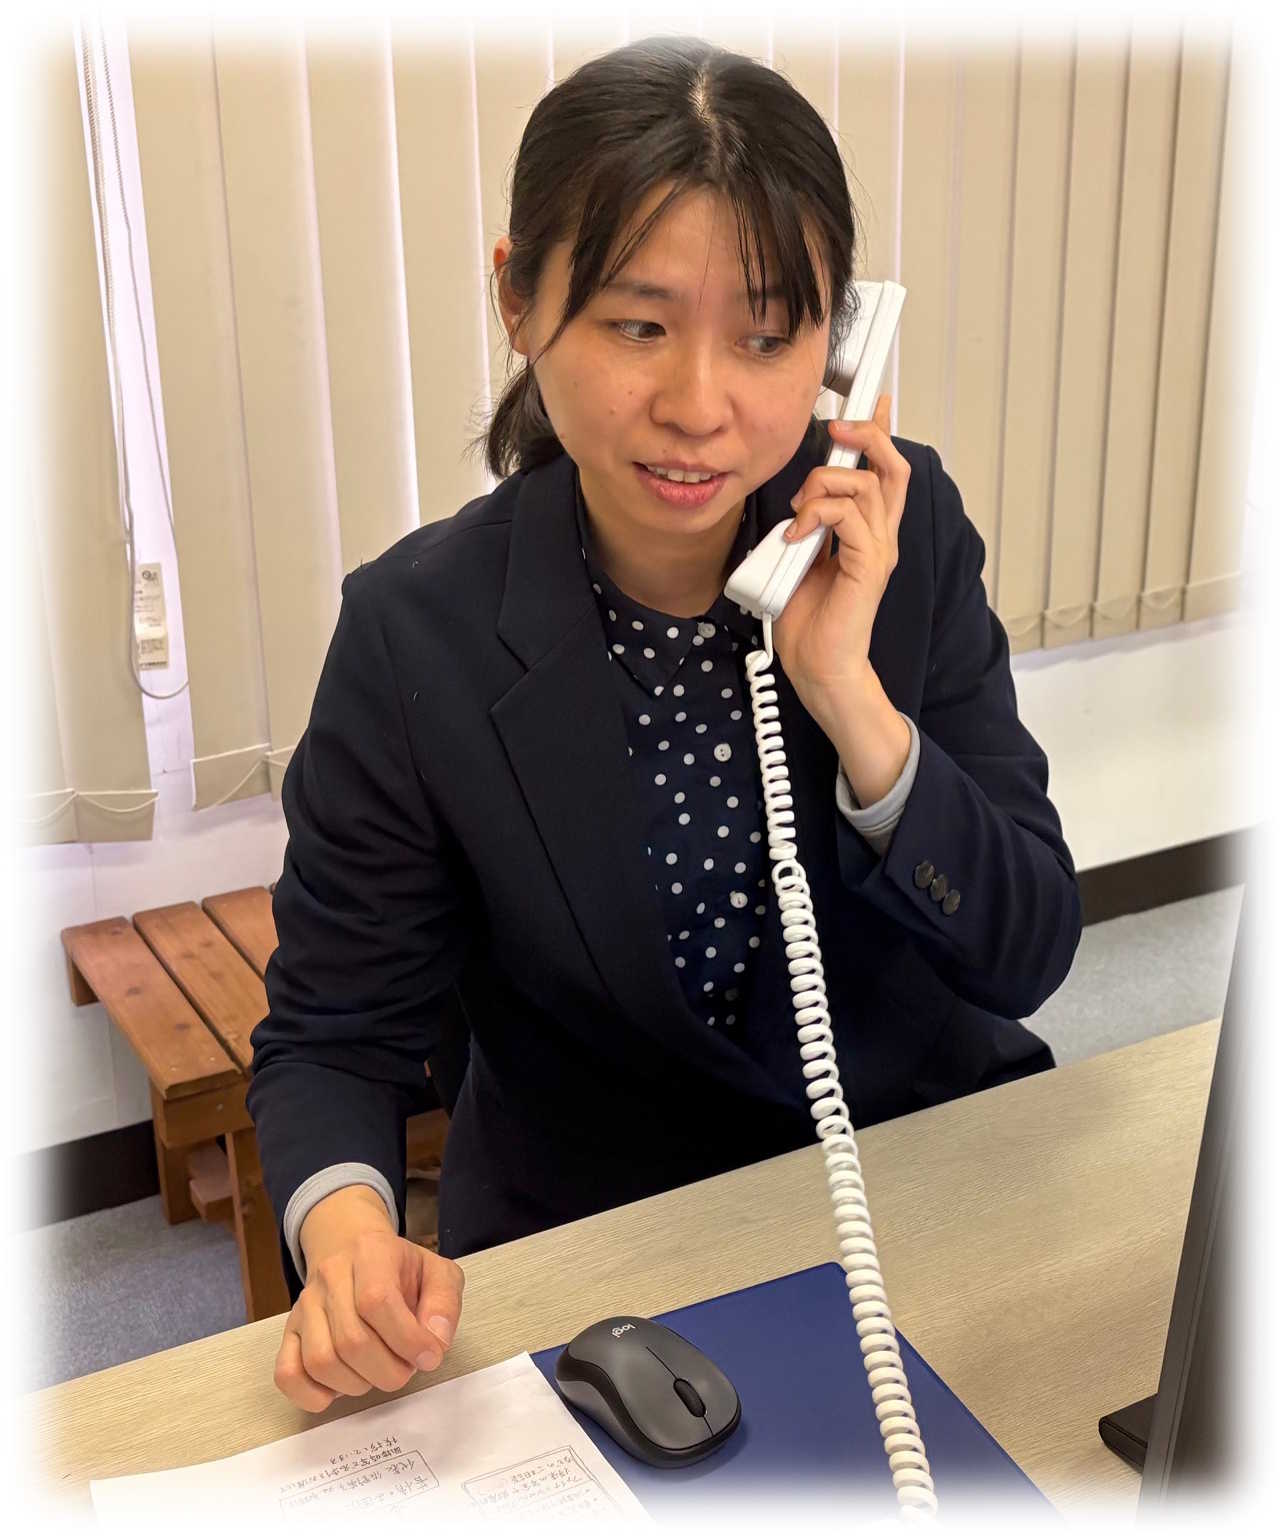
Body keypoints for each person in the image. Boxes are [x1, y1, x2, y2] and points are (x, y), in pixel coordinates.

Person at [248, 35, 1083, 1414]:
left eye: (767, 336)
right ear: (520, 300)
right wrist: (345, 1237)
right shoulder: (416, 634)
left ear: (839, 345)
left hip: (916, 1190)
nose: (701, 406)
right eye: (639, 325)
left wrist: (849, 696)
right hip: (601, 1260)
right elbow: (334, 1033)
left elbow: (1027, 949)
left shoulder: (901, 528)